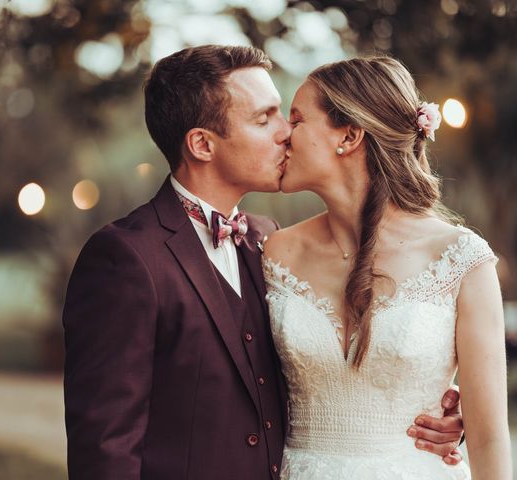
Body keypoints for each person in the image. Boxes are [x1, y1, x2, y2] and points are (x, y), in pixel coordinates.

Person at [63, 45, 466, 480]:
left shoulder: (270, 242)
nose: (286, 133)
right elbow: (104, 450)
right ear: (202, 144)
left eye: (285, 116)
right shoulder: (125, 259)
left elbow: (326, 369)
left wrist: (433, 407)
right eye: (264, 118)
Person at [263, 56, 511, 479]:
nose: (284, 134)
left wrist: (459, 421)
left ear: (350, 135)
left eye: (297, 118)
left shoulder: (460, 259)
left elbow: (489, 438)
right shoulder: (273, 253)